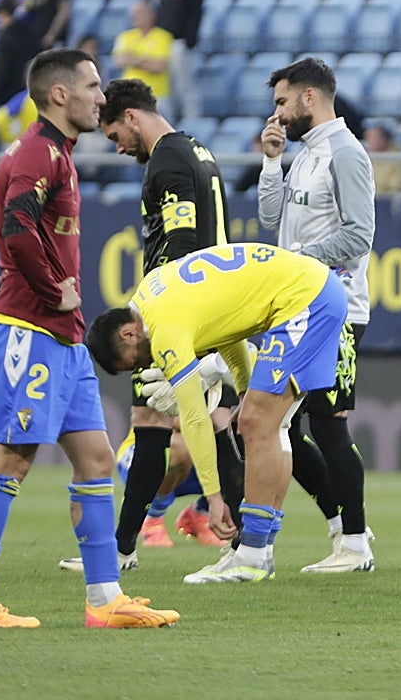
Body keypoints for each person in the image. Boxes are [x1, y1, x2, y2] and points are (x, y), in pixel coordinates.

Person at [0, 48, 179, 629]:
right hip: (30, 327)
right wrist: (53, 290)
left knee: (96, 459)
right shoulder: (35, 153)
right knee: (11, 459)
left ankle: (104, 600)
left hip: (63, 340)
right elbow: (15, 228)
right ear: (60, 94)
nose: (104, 96)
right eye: (94, 86)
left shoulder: (58, 153)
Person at [85, 243, 349, 584]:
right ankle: (260, 549)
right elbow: (228, 329)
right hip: (313, 291)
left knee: (256, 422)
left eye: (135, 361)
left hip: (303, 299)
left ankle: (251, 555)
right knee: (269, 423)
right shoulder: (153, 291)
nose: (145, 365)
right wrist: (243, 389)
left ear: (128, 333)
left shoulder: (162, 330)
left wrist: (214, 497)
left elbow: (194, 418)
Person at [94, 77, 245, 568]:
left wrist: (166, 310)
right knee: (214, 421)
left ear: (133, 117)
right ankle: (233, 545)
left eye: (117, 134)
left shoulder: (168, 162)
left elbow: (181, 244)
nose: (118, 148)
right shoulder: (196, 150)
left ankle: (124, 549)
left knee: (165, 425)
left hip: (177, 311)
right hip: (206, 306)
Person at [258, 57, 377, 574]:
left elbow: (359, 235)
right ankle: (344, 527)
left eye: (282, 102)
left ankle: (354, 544)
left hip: (336, 308)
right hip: (297, 308)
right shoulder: (304, 155)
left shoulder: (346, 153)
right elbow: (270, 219)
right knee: (279, 422)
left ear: (310, 97)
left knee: (328, 425)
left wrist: (298, 264)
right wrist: (269, 162)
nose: (276, 114)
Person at [154, 0, 205, 123]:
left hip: (181, 40)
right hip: (163, 42)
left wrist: (190, 40)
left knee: (186, 87)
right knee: (170, 89)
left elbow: (195, 12)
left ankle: (194, 123)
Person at [112, 0, 174, 108]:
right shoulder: (125, 36)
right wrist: (145, 59)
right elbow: (118, 61)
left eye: (139, 12)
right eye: (133, 13)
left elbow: (158, 67)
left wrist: (132, 59)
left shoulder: (163, 37)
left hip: (156, 95)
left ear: (151, 15)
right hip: (130, 96)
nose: (134, 16)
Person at [0, 0, 41, 122]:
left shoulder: (6, 37)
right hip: (30, 96)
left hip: (8, 99)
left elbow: (2, 73)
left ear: (3, 14)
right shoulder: (31, 32)